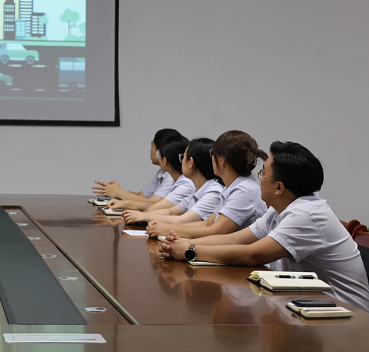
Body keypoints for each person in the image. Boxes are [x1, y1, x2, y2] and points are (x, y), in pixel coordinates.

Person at [160, 141, 369, 312]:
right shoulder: (280, 209)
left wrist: (189, 251)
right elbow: (234, 238)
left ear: (279, 187)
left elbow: (253, 254)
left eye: (263, 174)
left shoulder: (306, 215)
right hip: (306, 304)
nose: (258, 179)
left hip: (345, 317)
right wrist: (183, 243)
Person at [146, 130, 267, 239]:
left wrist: (168, 229)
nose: (211, 158)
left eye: (213, 153)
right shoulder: (231, 187)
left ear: (223, 161)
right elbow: (207, 223)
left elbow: (215, 231)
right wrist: (167, 227)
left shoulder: (243, 190)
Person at [121, 138, 223, 226]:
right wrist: (142, 215)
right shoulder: (198, 189)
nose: (181, 162)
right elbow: (171, 211)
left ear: (191, 163)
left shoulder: (213, 192)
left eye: (183, 158)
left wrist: (144, 216)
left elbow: (182, 220)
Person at [108, 135, 194, 212]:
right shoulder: (177, 179)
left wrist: (124, 201)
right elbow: (155, 204)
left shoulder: (185, 184)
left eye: (159, 155)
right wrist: (124, 204)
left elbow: (156, 207)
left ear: (165, 161)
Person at [93, 128, 181, 202]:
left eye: (152, 146)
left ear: (159, 151)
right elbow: (140, 196)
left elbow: (152, 203)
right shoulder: (161, 172)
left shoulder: (171, 176)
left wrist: (118, 192)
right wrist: (117, 191)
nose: (150, 151)